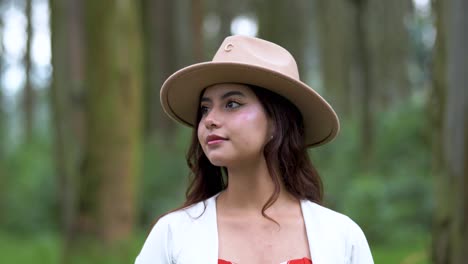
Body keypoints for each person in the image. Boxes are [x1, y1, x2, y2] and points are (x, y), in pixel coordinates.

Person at [135, 35, 374, 264]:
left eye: (232, 104)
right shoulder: (172, 235)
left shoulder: (342, 237)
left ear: (276, 122)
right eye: (205, 109)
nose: (210, 120)